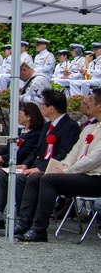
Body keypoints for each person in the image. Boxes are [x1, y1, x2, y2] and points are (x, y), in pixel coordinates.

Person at [0, 89, 80, 230]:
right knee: (3, 173)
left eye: (43, 104)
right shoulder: (48, 126)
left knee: (20, 180)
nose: (41, 107)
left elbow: (64, 154)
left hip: (52, 169)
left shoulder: (69, 126)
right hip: (35, 165)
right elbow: (36, 150)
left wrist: (41, 168)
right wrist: (24, 164)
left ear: (51, 108)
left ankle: (23, 221)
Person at [12, 87, 101, 242]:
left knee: (48, 179)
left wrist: (67, 171)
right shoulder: (90, 127)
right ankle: (24, 222)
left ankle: (39, 229)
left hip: (95, 177)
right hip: (79, 174)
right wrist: (63, 167)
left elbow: (94, 159)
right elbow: (73, 153)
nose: (86, 103)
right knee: (36, 177)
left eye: (91, 100)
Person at [0, 102, 45, 221]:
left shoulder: (36, 134)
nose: (17, 115)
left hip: (19, 162)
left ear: (29, 116)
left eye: (20, 113)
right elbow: (7, 148)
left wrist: (1, 159)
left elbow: (23, 153)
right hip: (9, 160)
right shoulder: (20, 132)